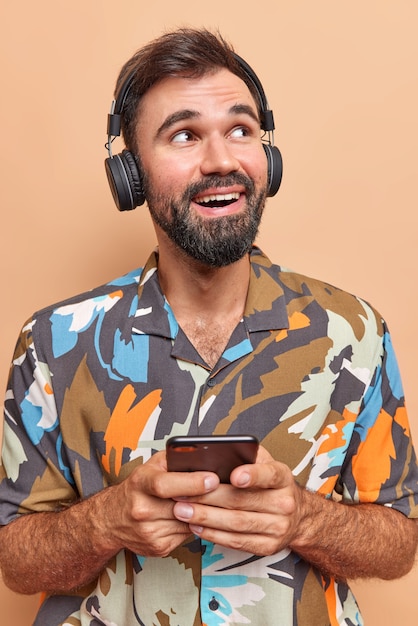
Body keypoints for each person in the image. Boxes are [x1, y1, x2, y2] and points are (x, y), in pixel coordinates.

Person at [0, 27, 417, 626]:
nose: (221, 161)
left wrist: (303, 517)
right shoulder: (51, 343)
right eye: (185, 135)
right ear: (132, 175)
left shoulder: (354, 330)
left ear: (267, 158)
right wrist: (108, 518)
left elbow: (400, 540)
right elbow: (16, 561)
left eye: (240, 130)